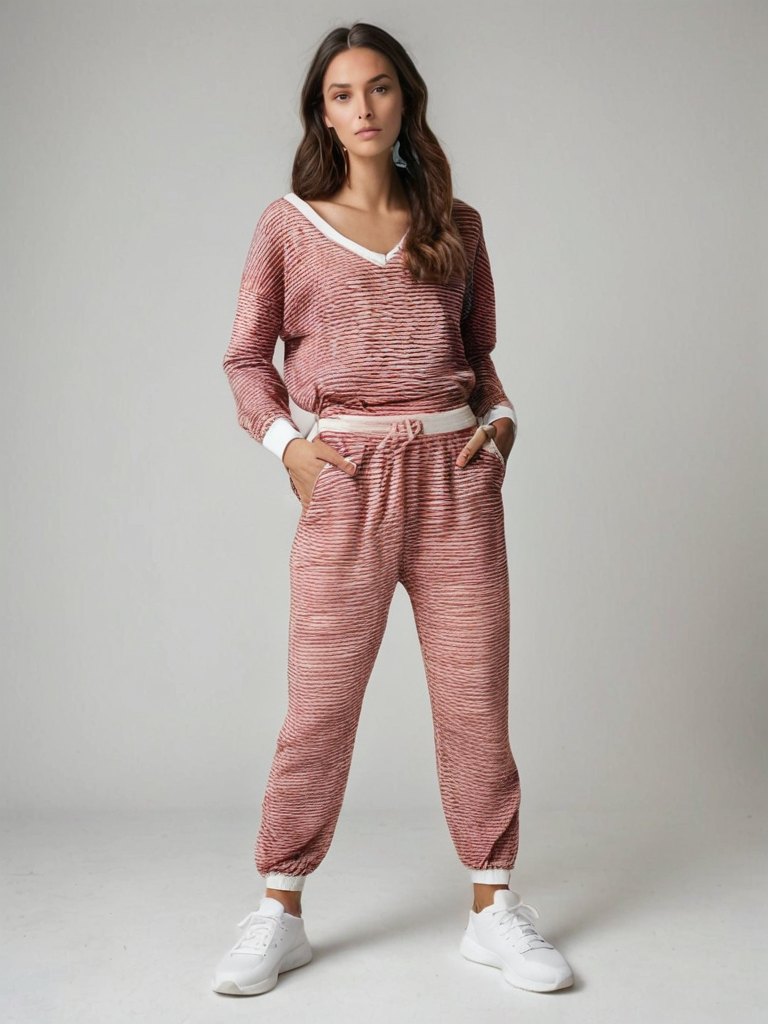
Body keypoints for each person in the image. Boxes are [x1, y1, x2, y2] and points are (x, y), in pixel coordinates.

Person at [212, 21, 574, 998]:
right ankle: (279, 912)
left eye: (378, 87)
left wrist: (501, 421)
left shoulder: (459, 223)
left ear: (405, 98)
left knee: (475, 701)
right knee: (319, 706)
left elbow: (480, 356)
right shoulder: (289, 225)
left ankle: (493, 910)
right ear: (322, 113)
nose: (363, 107)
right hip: (348, 481)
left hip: (457, 484)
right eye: (342, 93)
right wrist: (287, 448)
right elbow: (245, 359)